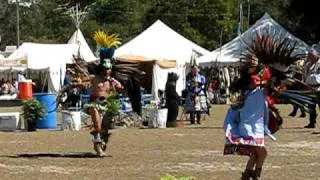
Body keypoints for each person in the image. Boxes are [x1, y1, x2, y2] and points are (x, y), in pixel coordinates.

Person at [224, 64, 274, 180]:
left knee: (256, 154)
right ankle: (256, 176)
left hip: (250, 128)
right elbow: (269, 86)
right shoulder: (257, 94)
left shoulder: (247, 95)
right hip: (252, 129)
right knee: (262, 153)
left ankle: (247, 175)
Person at [85, 60, 123, 155]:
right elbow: (83, 81)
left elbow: (121, 89)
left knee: (105, 127)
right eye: (105, 69)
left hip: (107, 104)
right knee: (97, 125)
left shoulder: (111, 80)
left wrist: (118, 86)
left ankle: (103, 142)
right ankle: (97, 146)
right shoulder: (94, 78)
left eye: (109, 69)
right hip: (95, 104)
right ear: (101, 69)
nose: (107, 71)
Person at [304, 47, 320, 128]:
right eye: (309, 56)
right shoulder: (307, 65)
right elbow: (306, 75)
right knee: (311, 106)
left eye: (311, 56)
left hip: (318, 88)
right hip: (309, 88)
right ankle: (312, 123)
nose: (310, 57)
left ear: (316, 55)